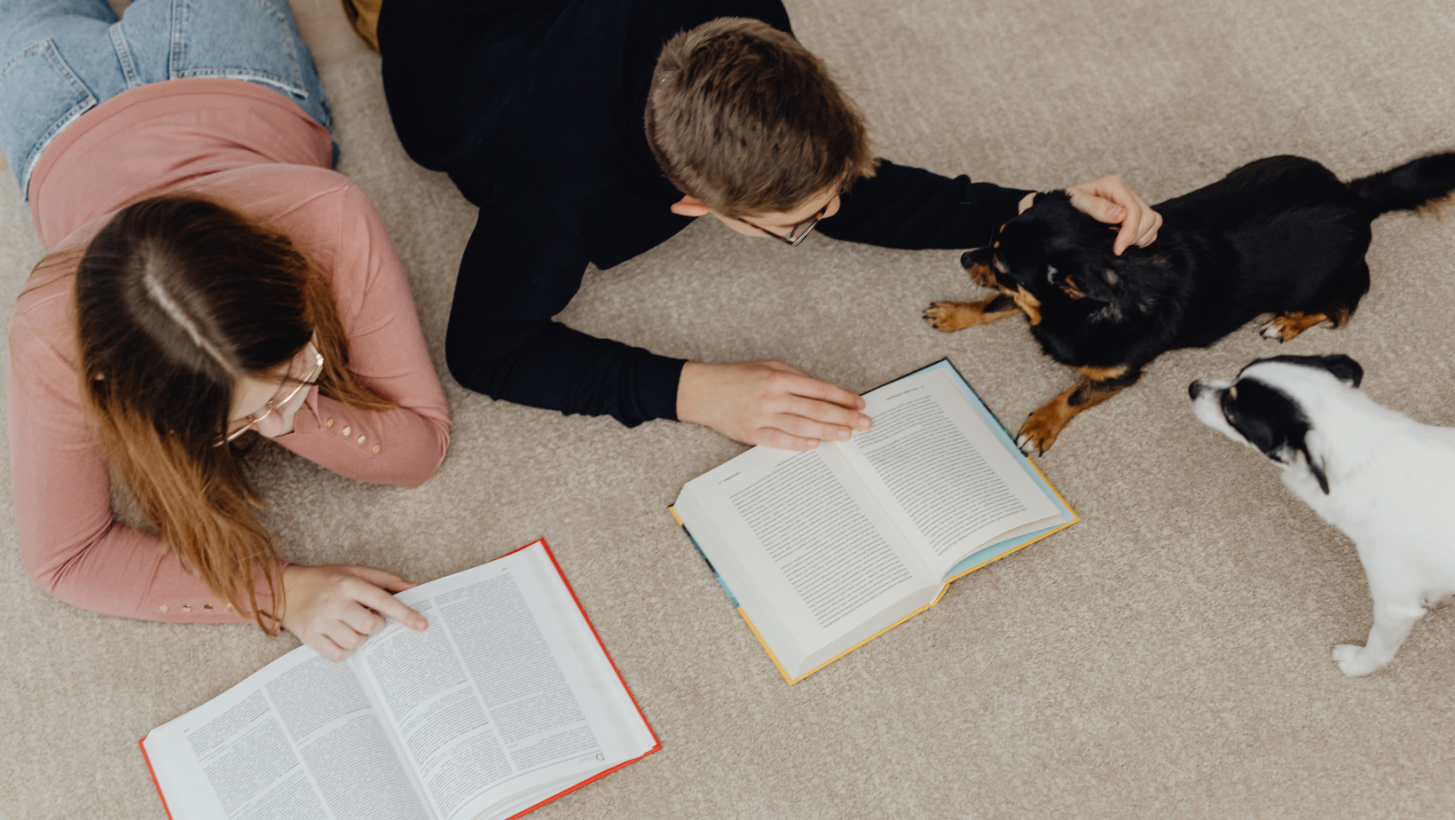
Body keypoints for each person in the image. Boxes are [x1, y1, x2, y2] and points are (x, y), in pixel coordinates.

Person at [360, 0, 1161, 450]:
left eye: (839, 182)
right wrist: (690, 389)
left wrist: (1034, 211)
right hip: (452, 37)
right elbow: (484, 347)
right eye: (801, 224)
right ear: (692, 208)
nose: (836, 211)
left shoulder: (747, 15)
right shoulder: (559, 197)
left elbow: (860, 192)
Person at [3, 0, 450, 661]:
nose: (270, 429)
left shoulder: (323, 216)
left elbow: (422, 449)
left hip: (217, 68)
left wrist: (290, 408)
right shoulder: (50, 334)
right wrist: (283, 592)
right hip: (61, 114)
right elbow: (67, 560)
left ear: (286, 286)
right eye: (237, 425)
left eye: (290, 379)